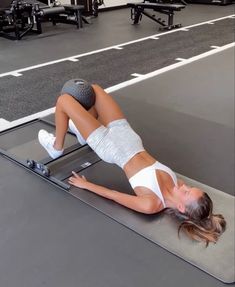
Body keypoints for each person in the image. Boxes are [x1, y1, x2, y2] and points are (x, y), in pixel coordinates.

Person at [38, 83, 226, 245]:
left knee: (64, 101)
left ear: (182, 208)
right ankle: (82, 134)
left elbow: (114, 195)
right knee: (92, 91)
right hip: (127, 134)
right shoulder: (174, 181)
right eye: (190, 187)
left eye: (187, 192)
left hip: (109, 146)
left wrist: (85, 185)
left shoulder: (151, 203)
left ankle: (56, 147)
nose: (184, 186)